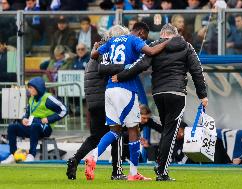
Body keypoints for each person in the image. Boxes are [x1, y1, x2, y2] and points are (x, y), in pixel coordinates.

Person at [112, 23, 208, 181]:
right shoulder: (186, 46)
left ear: (162, 34)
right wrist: (202, 95)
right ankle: (162, 170)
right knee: (171, 131)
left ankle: (160, 163)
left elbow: (140, 65)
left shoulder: (154, 46)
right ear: (175, 34)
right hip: (176, 92)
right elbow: (196, 70)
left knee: (166, 129)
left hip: (158, 93)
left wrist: (121, 76)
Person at [85, 22, 169, 181]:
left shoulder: (110, 42)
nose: (143, 39)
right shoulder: (133, 39)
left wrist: (95, 47)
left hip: (109, 90)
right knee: (133, 129)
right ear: (141, 32)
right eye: (144, 36)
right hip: (126, 89)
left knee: (114, 131)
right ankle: (133, 172)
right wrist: (168, 41)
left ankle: (93, 156)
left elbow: (94, 56)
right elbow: (151, 51)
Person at [66, 26, 128, 180]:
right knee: (116, 134)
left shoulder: (96, 51)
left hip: (93, 102)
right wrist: (126, 67)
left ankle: (75, 159)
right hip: (104, 100)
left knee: (95, 137)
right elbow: (105, 69)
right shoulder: (106, 52)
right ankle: (116, 172)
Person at [1, 77, 67, 164]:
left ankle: (31, 155)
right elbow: (28, 112)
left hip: (45, 129)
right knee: (12, 127)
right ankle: (13, 154)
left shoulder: (48, 98)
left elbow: (64, 110)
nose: (29, 90)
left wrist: (48, 119)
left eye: (31, 87)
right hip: (32, 127)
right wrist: (24, 118)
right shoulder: (31, 98)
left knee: (35, 126)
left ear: (38, 88)